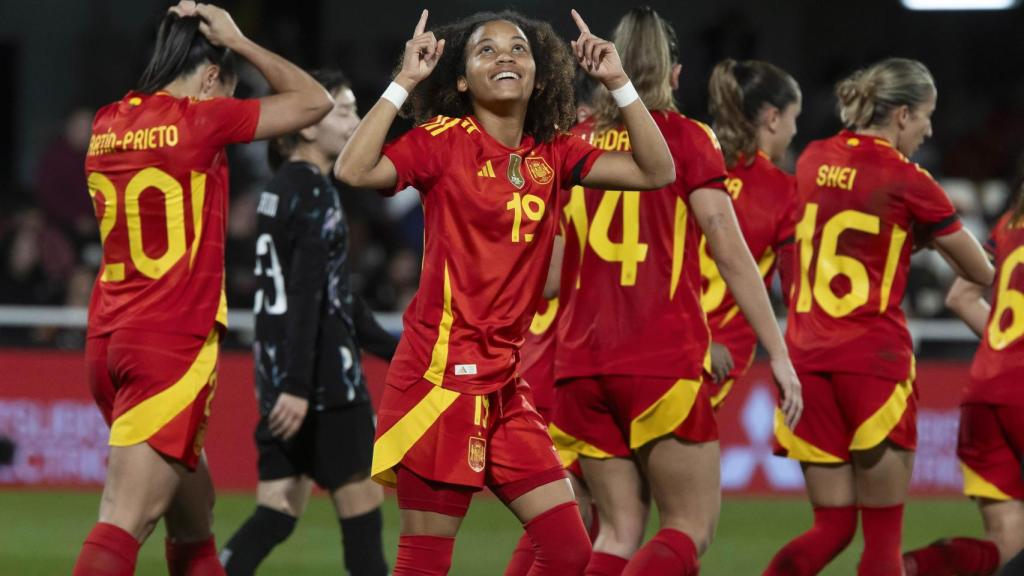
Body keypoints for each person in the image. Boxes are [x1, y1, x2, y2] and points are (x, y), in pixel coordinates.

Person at [335, 8, 675, 576]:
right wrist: (405, 80)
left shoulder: (555, 151)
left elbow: (657, 171)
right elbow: (352, 169)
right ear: (463, 80)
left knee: (568, 551)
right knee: (424, 563)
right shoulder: (442, 142)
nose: (505, 58)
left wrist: (618, 80)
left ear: (540, 76)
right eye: (486, 51)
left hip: (505, 383)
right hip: (440, 378)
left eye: (518, 49)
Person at [75, 1, 332, 574]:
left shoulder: (105, 123)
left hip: (107, 342)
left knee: (195, 518)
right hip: (170, 342)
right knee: (124, 518)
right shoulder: (200, 119)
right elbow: (315, 101)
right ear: (212, 76)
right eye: (226, 85)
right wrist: (240, 40)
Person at [550, 7, 802, 576]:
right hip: (658, 357)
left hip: (581, 364)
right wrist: (779, 353)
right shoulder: (687, 138)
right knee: (689, 527)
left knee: (616, 531)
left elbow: (551, 266)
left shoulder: (575, 141)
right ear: (674, 73)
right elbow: (729, 249)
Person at [766, 58, 994, 576]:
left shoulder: (812, 158)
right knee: (883, 539)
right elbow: (979, 268)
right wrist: (927, 236)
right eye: (926, 117)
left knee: (832, 526)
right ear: (902, 115)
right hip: (873, 361)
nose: (929, 130)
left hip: (806, 359)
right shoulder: (909, 179)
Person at [220, 70, 396, 576]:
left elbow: (331, 294)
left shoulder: (279, 190)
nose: (354, 121)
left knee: (275, 515)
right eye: (343, 110)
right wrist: (300, 385)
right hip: (323, 386)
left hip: (280, 379)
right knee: (362, 524)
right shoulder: (316, 193)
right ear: (307, 124)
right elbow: (307, 296)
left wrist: (395, 350)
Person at [901, 156, 1024, 575]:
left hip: (984, 392)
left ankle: (911, 567)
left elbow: (959, 297)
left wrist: (1005, 347)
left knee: (1007, 544)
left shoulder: (1010, 222)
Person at [702, 59, 802, 405]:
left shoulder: (692, 164)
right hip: (712, 355)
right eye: (794, 118)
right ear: (773, 118)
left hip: (656, 344)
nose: (795, 131)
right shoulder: (783, 191)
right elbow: (797, 293)